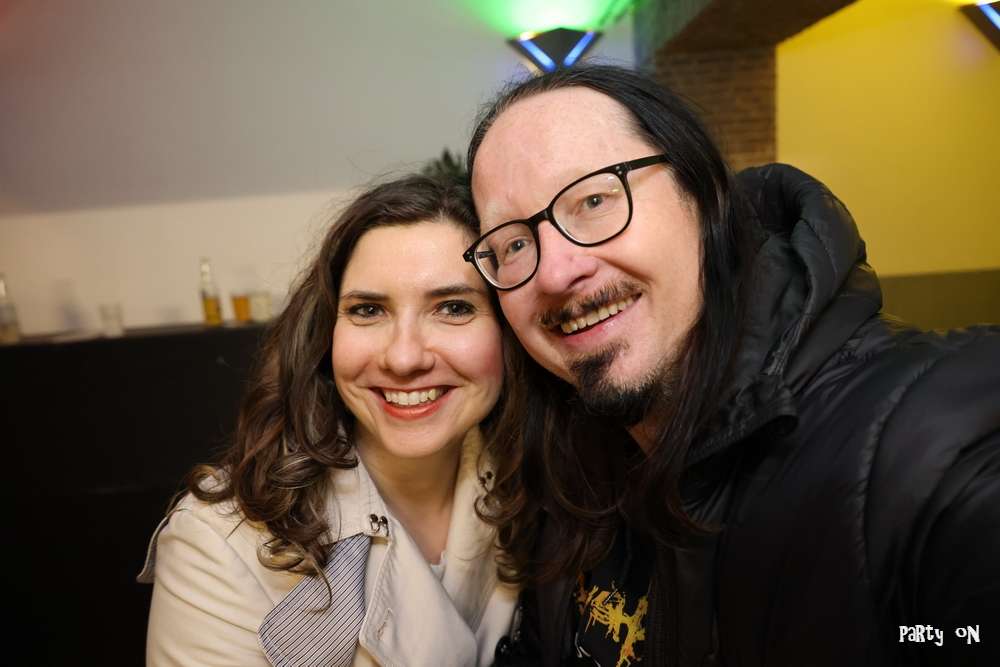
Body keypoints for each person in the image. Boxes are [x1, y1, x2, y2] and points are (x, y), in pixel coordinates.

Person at [463, 64, 1000, 666]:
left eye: (593, 200)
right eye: (513, 243)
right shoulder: (572, 466)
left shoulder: (930, 446)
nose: (556, 271)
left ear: (704, 197)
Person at [139, 175, 520, 666]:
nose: (404, 357)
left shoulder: (550, 488)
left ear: (509, 331)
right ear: (324, 334)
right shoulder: (218, 542)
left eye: (453, 307)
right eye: (368, 310)